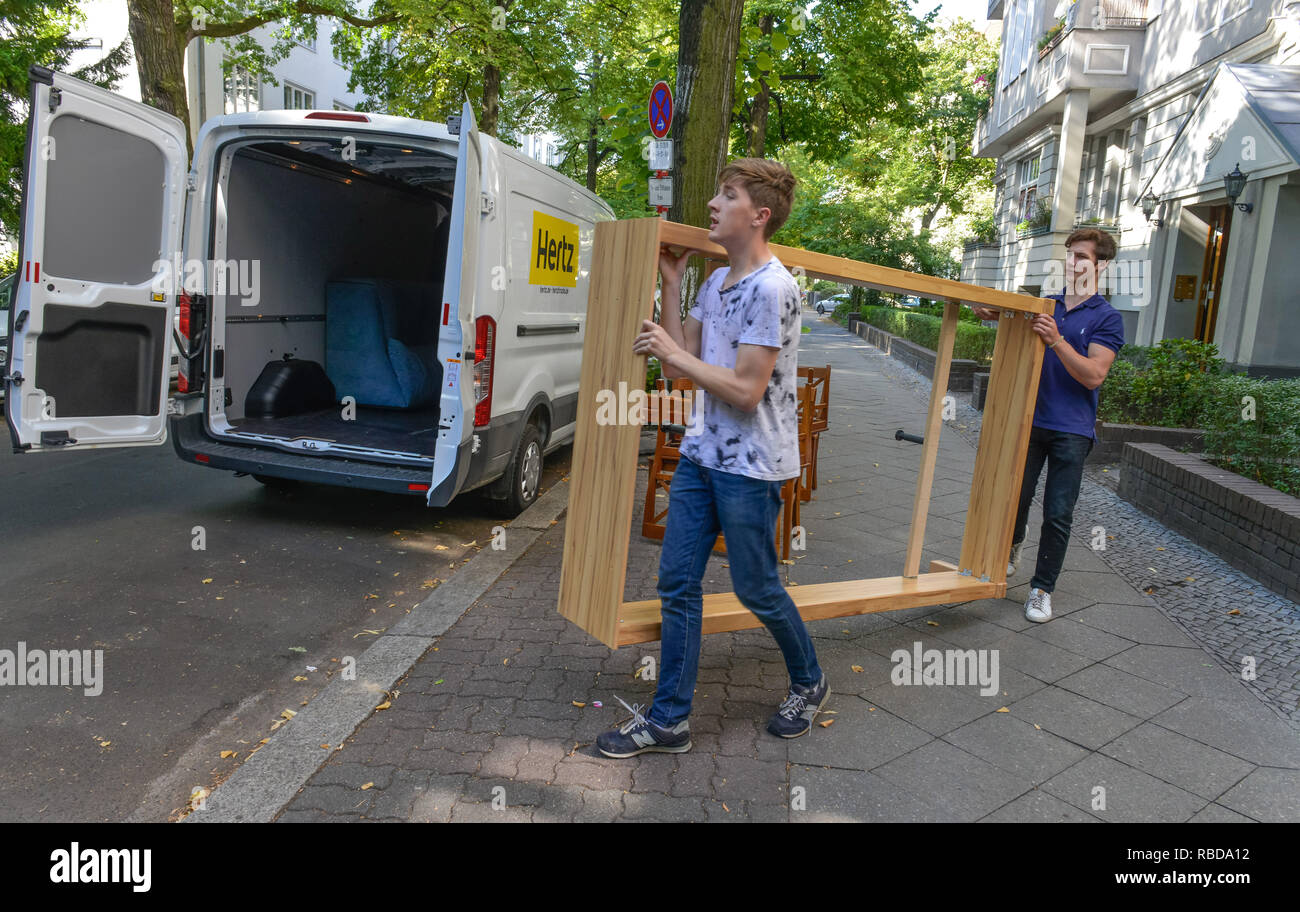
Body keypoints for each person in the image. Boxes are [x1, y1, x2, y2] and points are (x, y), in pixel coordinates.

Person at [595, 158, 827, 758]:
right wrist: (672, 286)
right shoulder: (714, 283)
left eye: (726, 196)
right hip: (701, 455)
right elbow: (676, 367)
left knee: (757, 589)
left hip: (752, 466)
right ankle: (669, 718)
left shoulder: (774, 288)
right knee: (676, 582)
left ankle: (810, 679)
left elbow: (748, 391)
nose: (713, 205)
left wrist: (678, 350)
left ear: (759, 214)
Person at [972, 227, 1125, 623]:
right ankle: (1014, 545)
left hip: (1072, 429)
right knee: (1016, 498)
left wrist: (1058, 341)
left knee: (1058, 512)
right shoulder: (1045, 304)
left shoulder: (1107, 317)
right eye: (1070, 254)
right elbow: (1004, 314)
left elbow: (1093, 375)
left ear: (1101, 265)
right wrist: (988, 310)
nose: (1072, 263)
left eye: (1082, 257)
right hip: (1029, 419)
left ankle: (1041, 590)